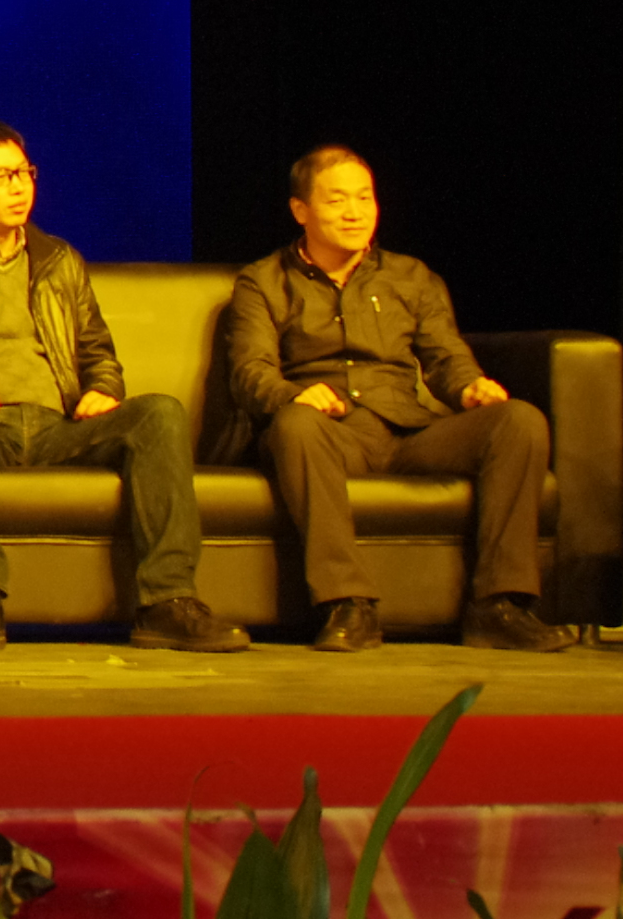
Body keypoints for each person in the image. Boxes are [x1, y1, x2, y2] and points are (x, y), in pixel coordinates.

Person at [0, 119, 247, 654]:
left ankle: (168, 600)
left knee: (160, 413)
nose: (17, 186)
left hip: (58, 425)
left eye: (23, 172)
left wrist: (102, 387)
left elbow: (96, 346)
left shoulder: (59, 259)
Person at [218, 147, 569, 653]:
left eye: (365, 198)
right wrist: (296, 395)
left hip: (408, 432)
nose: (354, 213)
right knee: (294, 425)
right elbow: (250, 372)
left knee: (518, 420)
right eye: (337, 200)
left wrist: (469, 386)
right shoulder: (264, 281)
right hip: (331, 433)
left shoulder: (411, 277)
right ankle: (346, 604)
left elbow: (445, 356)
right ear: (301, 210)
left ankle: (499, 606)